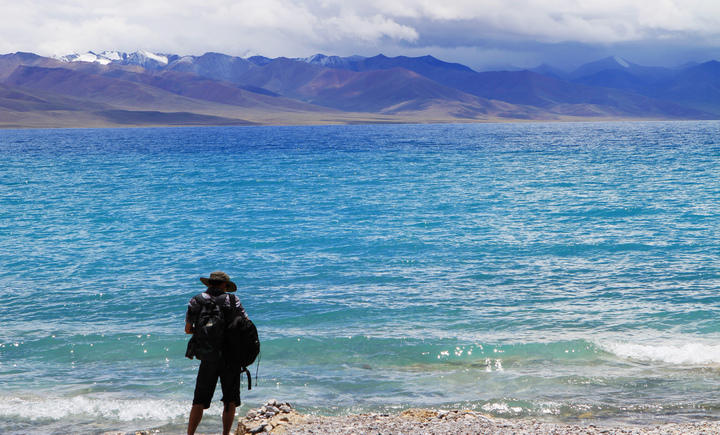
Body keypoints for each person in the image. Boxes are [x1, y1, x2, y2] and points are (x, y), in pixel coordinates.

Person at [185, 271, 248, 435]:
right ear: (224, 285)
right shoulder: (232, 300)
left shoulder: (196, 300)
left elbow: (188, 330)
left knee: (199, 399)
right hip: (230, 356)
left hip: (207, 356)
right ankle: (225, 434)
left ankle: (190, 434)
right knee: (230, 399)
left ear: (209, 284)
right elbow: (245, 324)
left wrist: (205, 333)